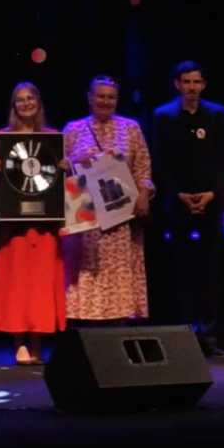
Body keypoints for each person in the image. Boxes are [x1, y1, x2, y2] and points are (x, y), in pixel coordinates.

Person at [151, 61, 224, 355]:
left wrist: (213, 192)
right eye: (186, 82)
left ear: (204, 84)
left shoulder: (218, 115)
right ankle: (184, 337)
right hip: (179, 202)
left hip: (210, 202)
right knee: (182, 270)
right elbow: (160, 161)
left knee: (210, 271)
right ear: (177, 84)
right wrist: (178, 194)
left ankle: (209, 337)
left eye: (197, 82)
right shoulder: (164, 116)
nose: (192, 87)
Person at [62, 76, 155, 326]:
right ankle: (82, 331)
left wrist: (144, 194)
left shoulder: (130, 128)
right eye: (100, 96)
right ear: (89, 98)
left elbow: (142, 167)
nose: (105, 101)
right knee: (85, 274)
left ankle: (117, 330)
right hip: (85, 220)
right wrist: (74, 161)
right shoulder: (73, 129)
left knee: (117, 277)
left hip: (119, 219)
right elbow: (59, 167)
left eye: (111, 97)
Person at [0, 83, 69, 364]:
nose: (26, 104)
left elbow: (59, 184)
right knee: (17, 283)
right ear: (14, 106)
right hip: (15, 228)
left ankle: (37, 343)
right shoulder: (2, 137)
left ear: (39, 102)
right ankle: (19, 343)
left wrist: (65, 169)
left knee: (40, 284)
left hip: (45, 228)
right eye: (20, 100)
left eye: (30, 98)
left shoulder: (52, 138)